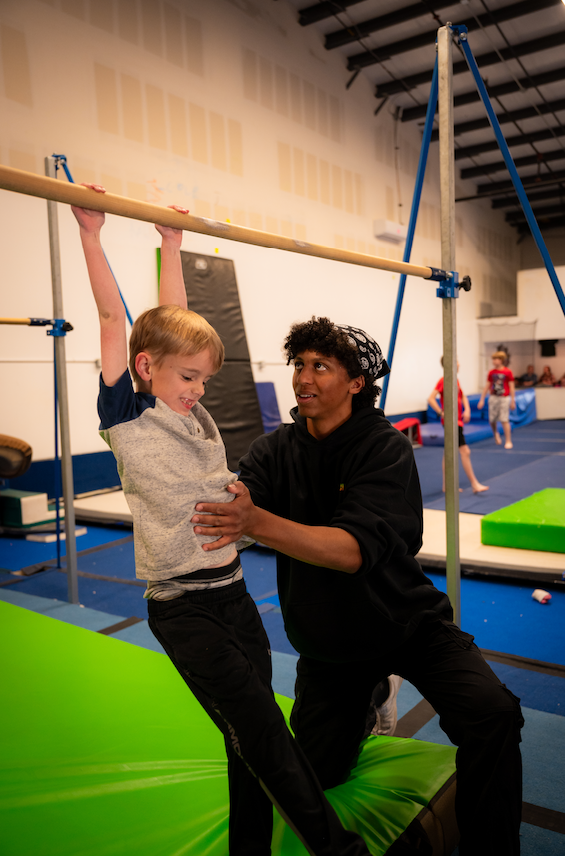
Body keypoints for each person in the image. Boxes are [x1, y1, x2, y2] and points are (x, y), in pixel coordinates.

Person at [72, 196, 372, 856]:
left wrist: (171, 244)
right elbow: (110, 318)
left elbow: (180, 326)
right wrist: (91, 234)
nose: (200, 390)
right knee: (265, 732)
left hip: (234, 594)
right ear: (145, 369)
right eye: (188, 377)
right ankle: (336, 848)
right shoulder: (128, 412)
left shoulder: (188, 406)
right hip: (184, 609)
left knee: (248, 742)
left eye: (205, 378)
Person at [192, 317, 524, 856]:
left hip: (406, 623)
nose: (303, 377)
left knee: (494, 714)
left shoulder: (383, 447)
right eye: (298, 364)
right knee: (310, 777)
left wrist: (255, 523)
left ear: (355, 383)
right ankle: (365, 703)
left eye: (320, 365)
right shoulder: (277, 449)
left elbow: (352, 551)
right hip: (331, 644)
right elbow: (236, 500)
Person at [428, 358, 489, 494]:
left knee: (448, 453)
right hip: (451, 422)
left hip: (457, 420)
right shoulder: (444, 380)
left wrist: (467, 409)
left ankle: (447, 485)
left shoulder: (455, 380)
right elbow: (431, 398)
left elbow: (463, 396)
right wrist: (441, 412)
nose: (459, 363)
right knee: (465, 452)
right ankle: (474, 484)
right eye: (456, 361)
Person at [477, 350, 516, 449]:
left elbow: (511, 386)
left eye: (495, 359)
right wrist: (482, 399)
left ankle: (508, 440)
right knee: (492, 420)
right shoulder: (491, 372)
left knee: (504, 419)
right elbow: (487, 385)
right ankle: (495, 433)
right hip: (493, 397)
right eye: (493, 359)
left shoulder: (508, 372)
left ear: (501, 360)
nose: (493, 361)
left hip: (504, 398)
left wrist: (512, 400)